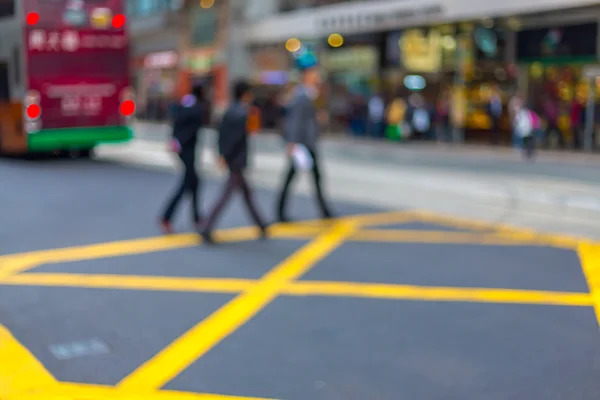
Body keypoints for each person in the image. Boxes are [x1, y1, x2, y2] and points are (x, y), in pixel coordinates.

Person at [199, 80, 268, 244]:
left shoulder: (230, 110)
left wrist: (221, 154)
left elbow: (222, 134)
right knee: (227, 194)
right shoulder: (243, 113)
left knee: (246, 194)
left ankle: (261, 225)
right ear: (245, 94)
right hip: (236, 160)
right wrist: (225, 156)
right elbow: (236, 139)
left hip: (232, 158)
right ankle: (206, 227)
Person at [276, 51, 334, 223]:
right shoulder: (301, 95)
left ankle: (323, 211)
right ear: (306, 74)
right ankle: (281, 211)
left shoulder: (311, 93)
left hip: (307, 142)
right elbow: (295, 121)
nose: (317, 75)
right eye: (314, 72)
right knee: (295, 177)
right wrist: (292, 142)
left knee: (313, 177)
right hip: (301, 144)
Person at [159, 84, 208, 234]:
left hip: (180, 149)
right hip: (188, 150)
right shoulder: (198, 109)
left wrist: (174, 140)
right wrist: (179, 141)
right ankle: (167, 217)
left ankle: (196, 217)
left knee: (194, 182)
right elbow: (191, 130)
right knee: (187, 183)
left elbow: (176, 122)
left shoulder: (183, 104)